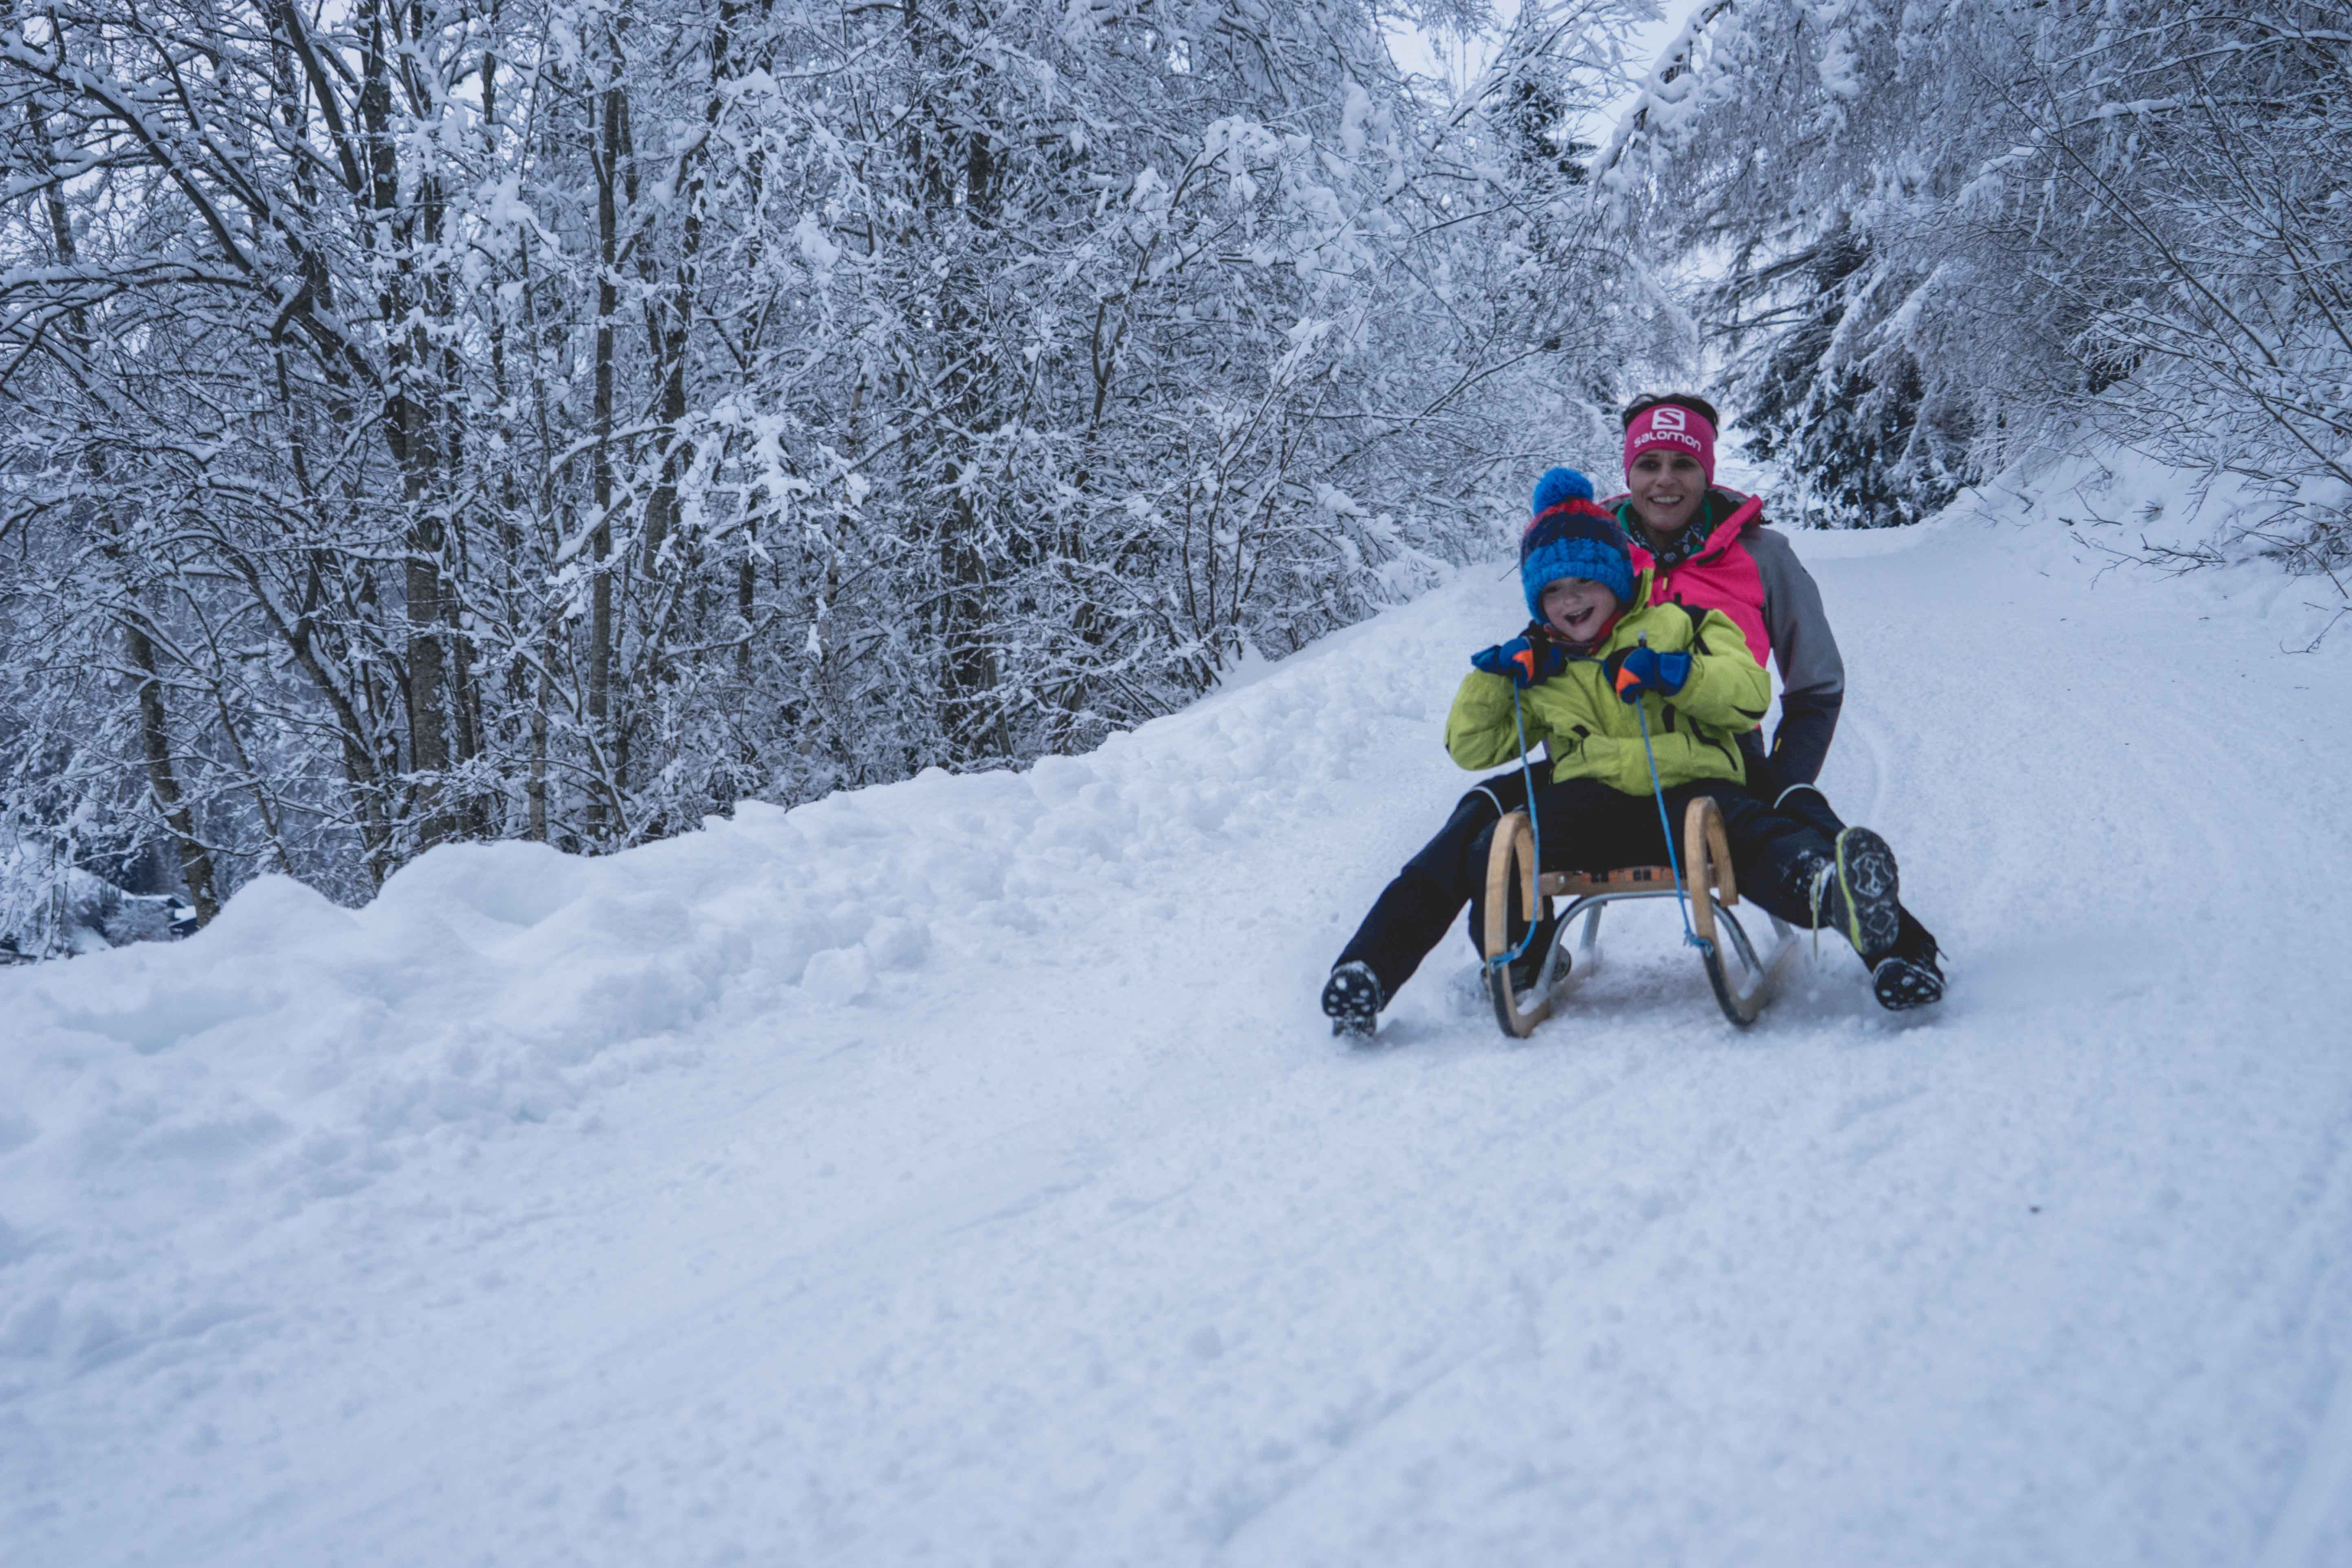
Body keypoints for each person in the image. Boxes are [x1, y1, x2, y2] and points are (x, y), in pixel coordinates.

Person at [1321, 469, 1920, 1038]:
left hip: (1694, 787)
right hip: (1591, 804)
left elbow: (1749, 694)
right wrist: (1499, 679)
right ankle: (1511, 960)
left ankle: (1828, 890)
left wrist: (1677, 675)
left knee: (1756, 835)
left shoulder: (1686, 624)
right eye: (1551, 590)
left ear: (1616, 577)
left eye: (1584, 582)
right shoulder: (1543, 664)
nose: (1570, 600)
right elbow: (1473, 748)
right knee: (1495, 845)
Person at [1607, 393, 1942, 1001]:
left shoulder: (1763, 556)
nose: (1664, 480)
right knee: (1501, 818)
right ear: (1627, 472)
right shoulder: (1590, 554)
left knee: (1786, 816)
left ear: (1706, 472)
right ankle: (1523, 956)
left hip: (1727, 751)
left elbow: (1815, 681)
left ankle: (1899, 953)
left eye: (1681, 464)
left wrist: (1786, 777)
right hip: (1609, 753)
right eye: (1647, 463)